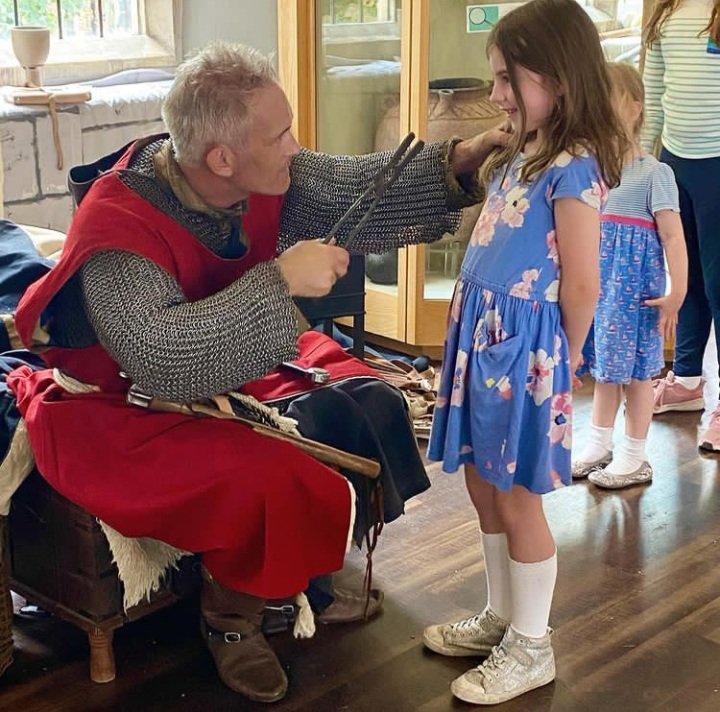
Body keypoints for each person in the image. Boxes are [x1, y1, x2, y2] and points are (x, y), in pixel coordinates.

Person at [4, 42, 509, 704]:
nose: (296, 147)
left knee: (370, 400)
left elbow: (354, 183)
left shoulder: (255, 174)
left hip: (227, 363)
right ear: (222, 157)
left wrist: (462, 161)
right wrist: (280, 284)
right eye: (282, 135)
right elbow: (161, 358)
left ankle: (300, 577)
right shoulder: (117, 224)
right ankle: (233, 623)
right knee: (274, 475)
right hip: (122, 407)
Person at [423, 0, 626, 705]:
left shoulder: (574, 167)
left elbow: (582, 281)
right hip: (487, 339)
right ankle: (502, 616)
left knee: (516, 497)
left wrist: (561, 359)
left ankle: (532, 644)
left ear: (560, 78)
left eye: (509, 78)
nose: (497, 94)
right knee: (483, 483)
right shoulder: (524, 148)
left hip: (527, 355)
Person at [573, 62, 687, 490]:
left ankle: (635, 456)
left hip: (636, 295)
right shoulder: (591, 170)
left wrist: (679, 292)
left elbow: (674, 237)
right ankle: (599, 444)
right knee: (605, 369)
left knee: (638, 375)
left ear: (636, 108)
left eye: (609, 98)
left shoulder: (655, 173)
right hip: (601, 293)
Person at [643, 0, 720, 452]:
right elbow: (651, 97)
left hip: (718, 166)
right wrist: (634, 163)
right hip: (675, 162)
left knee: (719, 283)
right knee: (686, 277)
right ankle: (688, 377)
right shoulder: (666, 12)